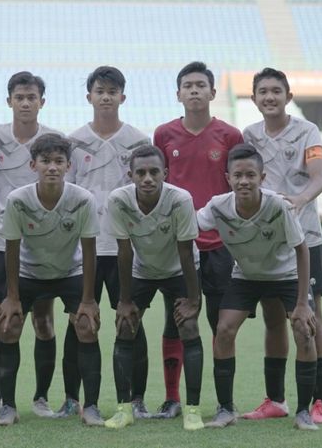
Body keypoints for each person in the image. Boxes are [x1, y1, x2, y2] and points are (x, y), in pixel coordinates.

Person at [198, 143, 319, 431]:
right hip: (247, 275)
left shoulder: (277, 205)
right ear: (227, 176)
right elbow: (189, 226)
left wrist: (302, 304)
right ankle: (225, 409)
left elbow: (302, 250)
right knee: (223, 329)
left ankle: (303, 411)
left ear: (262, 178)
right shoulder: (218, 205)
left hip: (286, 273)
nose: (244, 181)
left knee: (303, 330)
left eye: (250, 175)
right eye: (237, 175)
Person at [0, 72, 66, 417]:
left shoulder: (55, 140)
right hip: (1, 240)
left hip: (42, 243)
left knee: (43, 320)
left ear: (42, 101)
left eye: (32, 97)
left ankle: (40, 398)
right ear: (9, 101)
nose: (26, 103)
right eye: (19, 97)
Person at [152, 61, 243, 418]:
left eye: (200, 85)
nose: (193, 90)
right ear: (178, 94)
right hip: (178, 247)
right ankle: (173, 399)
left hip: (219, 245)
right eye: (187, 85)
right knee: (175, 321)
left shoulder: (230, 136)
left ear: (212, 93)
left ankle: (224, 404)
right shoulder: (163, 135)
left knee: (221, 325)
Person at [241, 67, 322, 423]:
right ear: (254, 99)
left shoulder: (307, 131)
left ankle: (320, 402)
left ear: (288, 96)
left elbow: (319, 178)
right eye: (262, 91)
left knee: (311, 317)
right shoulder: (249, 135)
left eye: (276, 91)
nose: (269, 97)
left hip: (305, 237)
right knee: (272, 318)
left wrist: (298, 200)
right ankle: (275, 400)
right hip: (267, 243)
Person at [61, 66, 151, 419]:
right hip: (84, 249)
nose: (106, 96)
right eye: (100, 90)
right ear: (89, 97)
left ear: (122, 97)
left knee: (131, 321)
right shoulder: (73, 142)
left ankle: (137, 398)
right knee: (78, 321)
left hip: (124, 249)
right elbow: (66, 195)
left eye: (113, 91)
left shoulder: (139, 141)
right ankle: (72, 398)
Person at [0, 134, 103, 426]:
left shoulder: (82, 199)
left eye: (58, 161)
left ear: (69, 166)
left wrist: (89, 300)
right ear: (33, 165)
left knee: (86, 326)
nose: (52, 167)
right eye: (45, 161)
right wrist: (12, 296)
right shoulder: (18, 201)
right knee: (9, 325)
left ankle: (90, 407)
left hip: (71, 272)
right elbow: (12, 249)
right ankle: (8, 407)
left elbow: (90, 251)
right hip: (30, 273)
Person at [104, 145, 204, 430]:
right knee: (125, 325)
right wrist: (124, 301)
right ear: (130, 175)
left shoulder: (180, 199)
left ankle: (192, 410)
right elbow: (124, 251)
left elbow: (185, 250)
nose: (147, 178)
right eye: (141, 172)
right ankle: (125, 408)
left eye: (154, 172)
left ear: (165, 173)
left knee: (188, 326)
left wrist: (193, 300)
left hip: (179, 269)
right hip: (142, 270)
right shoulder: (119, 200)